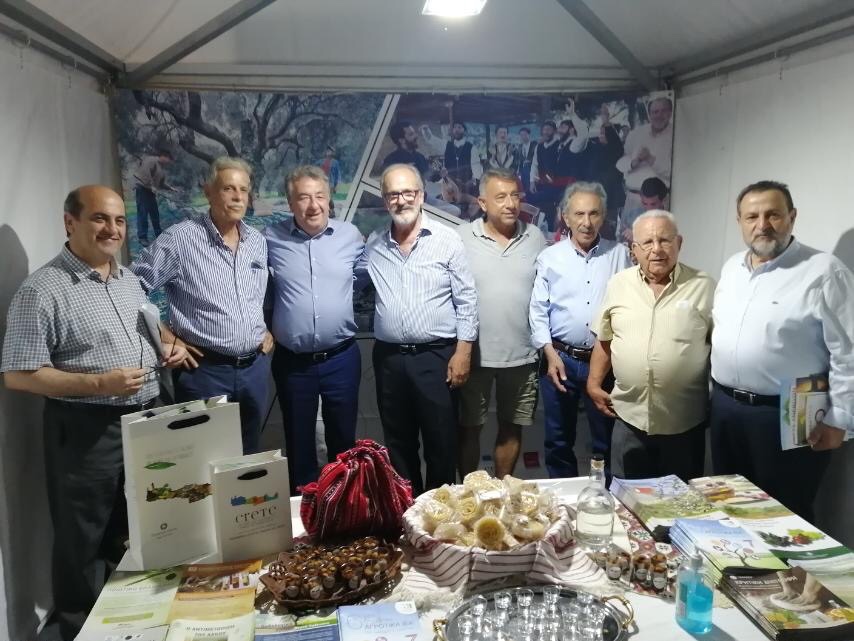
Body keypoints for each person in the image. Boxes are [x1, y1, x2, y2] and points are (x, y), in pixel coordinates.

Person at [1, 186, 186, 640]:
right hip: (87, 430)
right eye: (101, 218)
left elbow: (148, 325)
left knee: (141, 525)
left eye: (119, 220)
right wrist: (99, 384)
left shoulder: (127, 279)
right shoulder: (42, 290)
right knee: (82, 537)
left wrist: (169, 345)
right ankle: (79, 628)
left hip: (144, 421)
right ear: (71, 222)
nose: (113, 229)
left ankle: (137, 621)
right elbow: (19, 375)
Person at [710, 180, 854, 521]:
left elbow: (848, 352)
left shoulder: (824, 271)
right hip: (726, 409)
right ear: (740, 221)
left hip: (788, 415)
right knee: (727, 509)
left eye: (773, 214)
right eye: (752, 217)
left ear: (792, 216)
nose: (763, 225)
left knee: (784, 518)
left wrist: (840, 419)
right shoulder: (732, 267)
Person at [132, 157, 273, 454]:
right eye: (228, 188)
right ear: (208, 191)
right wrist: (165, 337)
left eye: (243, 190)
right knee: (203, 459)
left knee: (248, 459)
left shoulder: (257, 242)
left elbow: (258, 295)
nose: (237, 197)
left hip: (254, 371)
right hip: (204, 373)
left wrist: (265, 328)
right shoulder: (180, 239)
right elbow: (130, 287)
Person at [366, 163, 478, 495]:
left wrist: (463, 352)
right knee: (398, 444)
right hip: (389, 360)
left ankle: (440, 517)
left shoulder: (447, 240)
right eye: (393, 194)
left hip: (437, 357)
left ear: (421, 195)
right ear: (385, 200)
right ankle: (407, 512)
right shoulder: (374, 244)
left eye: (408, 192)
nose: (401, 200)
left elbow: (467, 300)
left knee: (441, 442)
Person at [587, 211, 714, 481]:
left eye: (665, 240)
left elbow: (720, 346)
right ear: (634, 249)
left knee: (681, 499)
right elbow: (605, 338)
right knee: (627, 496)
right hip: (628, 418)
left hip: (684, 423)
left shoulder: (704, 286)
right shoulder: (619, 284)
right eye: (647, 242)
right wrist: (593, 383)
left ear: (679, 243)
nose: (656, 249)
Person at [264, 166, 365, 491]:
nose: (313, 205)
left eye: (320, 196)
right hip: (293, 363)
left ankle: (344, 507)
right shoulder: (270, 239)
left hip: (341, 358)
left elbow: (367, 278)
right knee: (298, 443)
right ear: (290, 203)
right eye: (303, 197)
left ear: (329, 199)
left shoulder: (351, 236)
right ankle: (305, 512)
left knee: (344, 444)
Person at [530, 182, 631, 479]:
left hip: (606, 363)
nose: (586, 222)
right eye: (579, 214)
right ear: (566, 217)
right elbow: (538, 310)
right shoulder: (550, 257)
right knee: (558, 440)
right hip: (559, 361)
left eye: (594, 213)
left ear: (604, 215)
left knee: (606, 439)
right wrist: (549, 354)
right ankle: (564, 500)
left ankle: (606, 498)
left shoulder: (620, 255)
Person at [457, 168, 546, 479]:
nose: (511, 204)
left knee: (511, 428)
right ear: (483, 203)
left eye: (515, 196)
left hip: (522, 355)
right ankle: (468, 494)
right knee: (468, 428)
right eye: (501, 197)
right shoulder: (461, 237)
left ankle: (502, 491)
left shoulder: (535, 237)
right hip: (474, 357)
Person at [616, 96, 673, 216]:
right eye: (655, 112)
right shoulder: (636, 134)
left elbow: (673, 172)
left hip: (657, 203)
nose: (659, 115)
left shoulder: (676, 135)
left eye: (663, 111)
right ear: (649, 114)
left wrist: (651, 159)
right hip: (632, 198)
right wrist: (634, 162)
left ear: (670, 112)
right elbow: (620, 163)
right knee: (628, 229)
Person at [133, 148, 176, 246]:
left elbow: (161, 183)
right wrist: (151, 186)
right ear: (164, 156)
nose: (168, 162)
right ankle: (142, 237)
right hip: (142, 189)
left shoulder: (161, 169)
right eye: (168, 159)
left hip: (151, 192)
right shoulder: (151, 160)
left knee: (155, 214)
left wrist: (170, 188)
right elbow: (145, 173)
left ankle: (159, 235)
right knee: (143, 213)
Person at [618, 176, 669, 245]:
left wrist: (636, 239)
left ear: (663, 200)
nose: (648, 208)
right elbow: (621, 242)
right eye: (644, 203)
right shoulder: (632, 216)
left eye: (653, 204)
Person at [529, 120, 561, 231]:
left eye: (549, 130)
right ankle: (542, 230)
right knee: (542, 205)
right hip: (542, 183)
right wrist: (532, 182)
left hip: (557, 185)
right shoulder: (539, 147)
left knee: (541, 202)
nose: (546, 132)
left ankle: (551, 231)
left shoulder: (559, 145)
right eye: (544, 130)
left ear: (554, 131)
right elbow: (534, 165)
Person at [517, 126, 536, 194]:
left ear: (529, 135)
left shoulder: (534, 145)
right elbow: (520, 160)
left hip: (532, 170)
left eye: (525, 134)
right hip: (523, 171)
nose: (523, 137)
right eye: (521, 135)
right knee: (523, 187)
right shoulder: (520, 147)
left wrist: (529, 161)